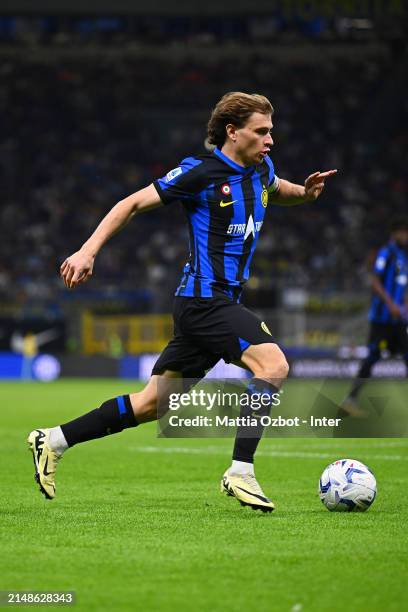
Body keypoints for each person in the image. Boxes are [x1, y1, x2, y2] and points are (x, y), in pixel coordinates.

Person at [28, 92, 336, 512]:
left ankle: (54, 440)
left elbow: (275, 189)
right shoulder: (201, 173)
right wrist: (87, 251)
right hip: (204, 301)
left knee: (152, 403)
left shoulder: (261, 168)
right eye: (261, 131)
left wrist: (304, 193)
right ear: (232, 132)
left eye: (271, 131)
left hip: (215, 304)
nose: (270, 140)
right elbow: (132, 203)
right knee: (274, 365)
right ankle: (240, 471)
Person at [342, 216, 408, 417]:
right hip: (382, 319)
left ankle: (350, 400)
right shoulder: (386, 253)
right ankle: (350, 400)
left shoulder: (403, 256)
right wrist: (390, 304)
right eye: (404, 233)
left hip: (397, 320)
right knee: (371, 358)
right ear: (396, 233)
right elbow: (375, 281)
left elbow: (403, 285)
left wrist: (404, 304)